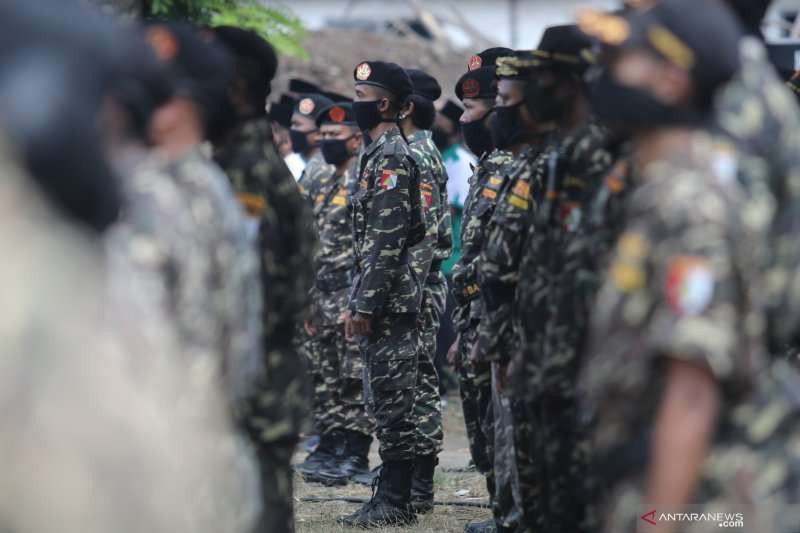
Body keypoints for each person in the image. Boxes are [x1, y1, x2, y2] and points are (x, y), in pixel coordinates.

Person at [576, 3, 787, 531]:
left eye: (625, 58)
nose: (606, 74)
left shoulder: (693, 206)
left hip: (704, 499)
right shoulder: (663, 190)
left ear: (670, 81)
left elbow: (692, 390)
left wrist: (657, 519)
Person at [510, 25, 616, 533]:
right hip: (547, 361)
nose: (533, 91)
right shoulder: (561, 152)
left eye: (542, 77)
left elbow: (592, 272)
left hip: (584, 368)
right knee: (548, 502)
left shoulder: (601, 152)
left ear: (569, 81)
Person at [210, 26, 317, 533]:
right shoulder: (238, 163)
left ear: (233, 87)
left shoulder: (246, 174)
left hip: (251, 387)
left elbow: (250, 297)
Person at [472, 49, 557, 533]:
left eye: (505, 101)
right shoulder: (524, 165)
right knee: (509, 434)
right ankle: (514, 516)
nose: (495, 113)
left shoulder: (549, 166)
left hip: (538, 332)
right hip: (513, 329)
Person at [338, 60, 425, 528]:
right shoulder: (375, 153)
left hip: (390, 299)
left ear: (385, 103)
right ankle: (390, 494)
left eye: (362, 94)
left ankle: (396, 499)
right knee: (382, 398)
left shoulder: (392, 156)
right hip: (379, 294)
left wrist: (364, 304)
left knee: (393, 400)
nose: (357, 103)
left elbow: (387, 240)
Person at [447, 47, 513, 533]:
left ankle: (512, 513)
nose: (465, 119)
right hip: (477, 319)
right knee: (484, 427)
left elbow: (501, 257)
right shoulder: (487, 165)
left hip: (502, 319)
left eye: (472, 109)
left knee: (506, 427)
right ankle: (501, 508)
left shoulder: (515, 167)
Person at [298, 102, 375, 486]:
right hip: (322, 291)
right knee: (325, 374)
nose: (326, 142)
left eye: (335, 136)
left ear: (356, 139)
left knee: (353, 376)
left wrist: (361, 300)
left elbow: (373, 245)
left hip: (351, 290)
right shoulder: (323, 178)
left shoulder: (366, 179)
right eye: (323, 135)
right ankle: (328, 444)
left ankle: (355, 451)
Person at [400, 67, 452, 514]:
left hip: (418, 290)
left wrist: (406, 295)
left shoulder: (419, 154)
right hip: (412, 289)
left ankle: (419, 485)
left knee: (417, 384)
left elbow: (427, 236)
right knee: (410, 383)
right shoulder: (408, 151)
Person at [291, 92, 335, 199]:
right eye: (292, 124)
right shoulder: (313, 166)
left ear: (319, 134)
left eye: (297, 124)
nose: (292, 129)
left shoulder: (320, 170)